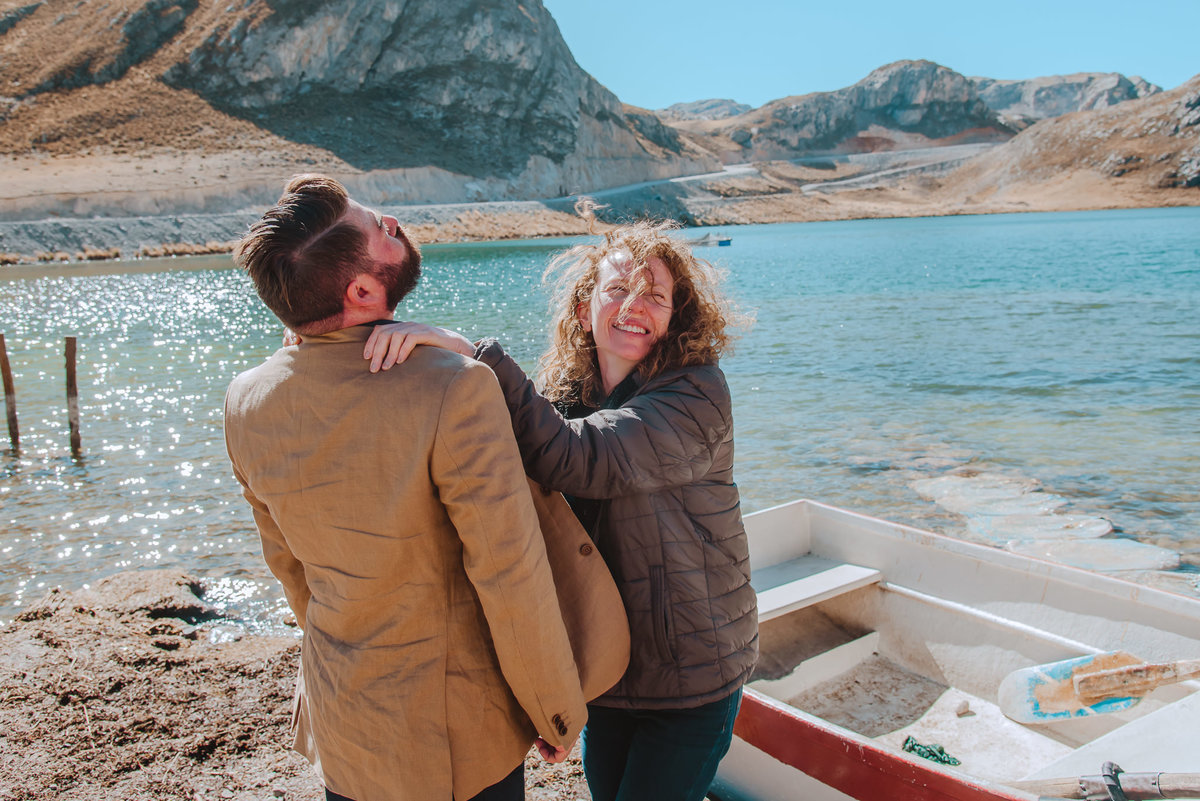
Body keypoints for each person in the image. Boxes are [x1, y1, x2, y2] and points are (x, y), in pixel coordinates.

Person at [224, 175, 627, 801]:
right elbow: (508, 571)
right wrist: (552, 704)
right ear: (361, 290)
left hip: (344, 718)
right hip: (456, 734)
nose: (392, 221)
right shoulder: (455, 386)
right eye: (377, 228)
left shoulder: (245, 397)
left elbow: (289, 566)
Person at [363, 204, 759, 801]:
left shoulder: (696, 393)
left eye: (655, 295)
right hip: (610, 667)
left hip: (694, 674)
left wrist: (472, 350)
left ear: (676, 317)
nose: (633, 305)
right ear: (584, 307)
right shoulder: (561, 397)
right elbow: (505, 493)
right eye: (618, 287)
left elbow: (582, 458)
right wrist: (551, 690)